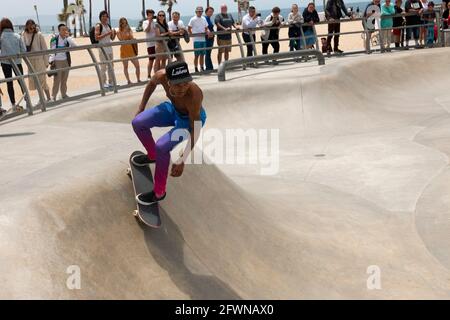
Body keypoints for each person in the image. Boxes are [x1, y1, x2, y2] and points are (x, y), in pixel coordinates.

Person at [131, 61, 207, 205]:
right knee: (138, 123)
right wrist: (141, 108)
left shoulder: (194, 94)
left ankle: (159, 192)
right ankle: (152, 156)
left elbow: (195, 128)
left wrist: (183, 159)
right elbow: (151, 85)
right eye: (178, 84)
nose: (182, 88)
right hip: (173, 110)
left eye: (185, 83)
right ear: (168, 81)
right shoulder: (160, 76)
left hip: (188, 121)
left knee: (162, 146)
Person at [21, 20, 51, 103]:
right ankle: (42, 98)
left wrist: (46, 62)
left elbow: (44, 48)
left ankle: (48, 98)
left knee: (42, 80)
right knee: (34, 81)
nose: (31, 28)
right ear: (26, 26)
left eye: (32, 26)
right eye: (29, 26)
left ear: (34, 26)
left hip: (39, 60)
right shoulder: (24, 34)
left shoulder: (39, 35)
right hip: (30, 61)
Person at [0, 18, 26, 111]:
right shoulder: (17, 36)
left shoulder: (1, 36)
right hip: (17, 61)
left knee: (9, 83)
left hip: (5, 62)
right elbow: (24, 50)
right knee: (21, 81)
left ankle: (13, 104)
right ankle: (27, 100)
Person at [49, 23, 76, 101]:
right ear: (59, 30)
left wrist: (69, 37)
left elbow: (75, 46)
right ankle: (53, 96)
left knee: (64, 80)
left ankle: (63, 94)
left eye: (65, 29)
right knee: (57, 80)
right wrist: (51, 61)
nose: (64, 31)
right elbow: (52, 51)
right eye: (63, 30)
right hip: (57, 61)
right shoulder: (54, 39)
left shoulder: (67, 39)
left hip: (66, 61)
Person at [95, 10, 116, 89]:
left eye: (106, 16)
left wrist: (114, 34)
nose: (105, 18)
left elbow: (112, 38)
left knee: (111, 66)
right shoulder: (98, 26)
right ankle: (103, 83)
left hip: (109, 48)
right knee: (103, 66)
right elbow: (96, 37)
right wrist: (107, 33)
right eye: (103, 16)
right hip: (102, 49)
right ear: (100, 17)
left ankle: (111, 82)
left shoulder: (108, 26)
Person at [117, 17, 141, 84]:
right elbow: (121, 40)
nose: (124, 24)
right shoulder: (118, 31)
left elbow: (132, 38)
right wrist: (124, 31)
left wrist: (128, 31)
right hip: (124, 50)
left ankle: (138, 79)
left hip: (131, 50)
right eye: (122, 23)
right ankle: (128, 80)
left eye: (125, 22)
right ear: (120, 23)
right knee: (125, 67)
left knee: (137, 65)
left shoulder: (129, 30)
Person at [188, 6, 210, 73]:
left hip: (203, 39)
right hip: (196, 40)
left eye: (201, 11)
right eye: (198, 11)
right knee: (196, 55)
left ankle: (202, 67)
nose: (200, 12)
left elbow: (206, 27)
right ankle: (196, 68)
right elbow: (189, 28)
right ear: (196, 12)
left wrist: (207, 32)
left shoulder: (204, 18)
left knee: (202, 55)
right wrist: (193, 36)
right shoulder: (193, 19)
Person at [143, 9, 157, 79]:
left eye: (152, 14)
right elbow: (147, 30)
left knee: (157, 59)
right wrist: (149, 22)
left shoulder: (155, 22)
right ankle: (148, 74)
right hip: (150, 44)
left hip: (157, 43)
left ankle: (156, 74)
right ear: (147, 15)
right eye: (150, 14)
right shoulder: (145, 22)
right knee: (151, 60)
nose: (151, 16)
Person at [204, 7, 216, 71]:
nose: (211, 13)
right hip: (207, 38)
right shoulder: (205, 18)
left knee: (209, 53)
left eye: (212, 12)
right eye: (209, 11)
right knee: (207, 53)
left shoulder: (209, 18)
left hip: (211, 38)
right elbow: (205, 27)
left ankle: (210, 67)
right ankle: (208, 68)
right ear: (206, 12)